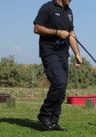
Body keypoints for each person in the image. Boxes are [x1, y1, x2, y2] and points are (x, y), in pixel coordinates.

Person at [33, 0, 82, 131]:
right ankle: (44, 114)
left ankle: (53, 121)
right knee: (59, 82)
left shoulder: (69, 11)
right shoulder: (47, 7)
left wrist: (77, 53)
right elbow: (37, 28)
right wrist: (57, 32)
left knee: (62, 88)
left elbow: (71, 34)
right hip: (49, 51)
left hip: (63, 54)